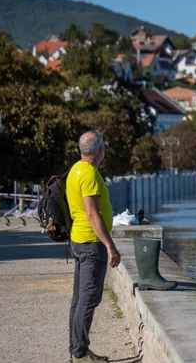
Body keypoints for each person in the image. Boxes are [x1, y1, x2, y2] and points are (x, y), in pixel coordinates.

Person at [66, 130, 120, 363]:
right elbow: (92, 213)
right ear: (100, 150)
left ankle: (78, 350)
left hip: (79, 240)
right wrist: (110, 246)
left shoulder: (75, 170)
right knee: (87, 300)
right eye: (104, 147)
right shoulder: (88, 174)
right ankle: (79, 355)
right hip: (91, 244)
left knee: (80, 299)